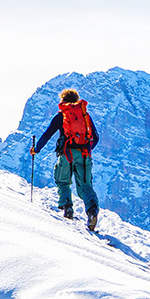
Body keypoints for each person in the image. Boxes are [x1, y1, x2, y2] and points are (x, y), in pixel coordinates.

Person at [32, 88, 102, 230]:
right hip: (84, 155)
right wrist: (86, 150)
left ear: (63, 100)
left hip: (66, 154)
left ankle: (68, 208)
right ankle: (92, 211)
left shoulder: (61, 116)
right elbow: (96, 137)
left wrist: (36, 149)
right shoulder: (85, 115)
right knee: (85, 186)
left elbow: (47, 135)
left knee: (63, 181)